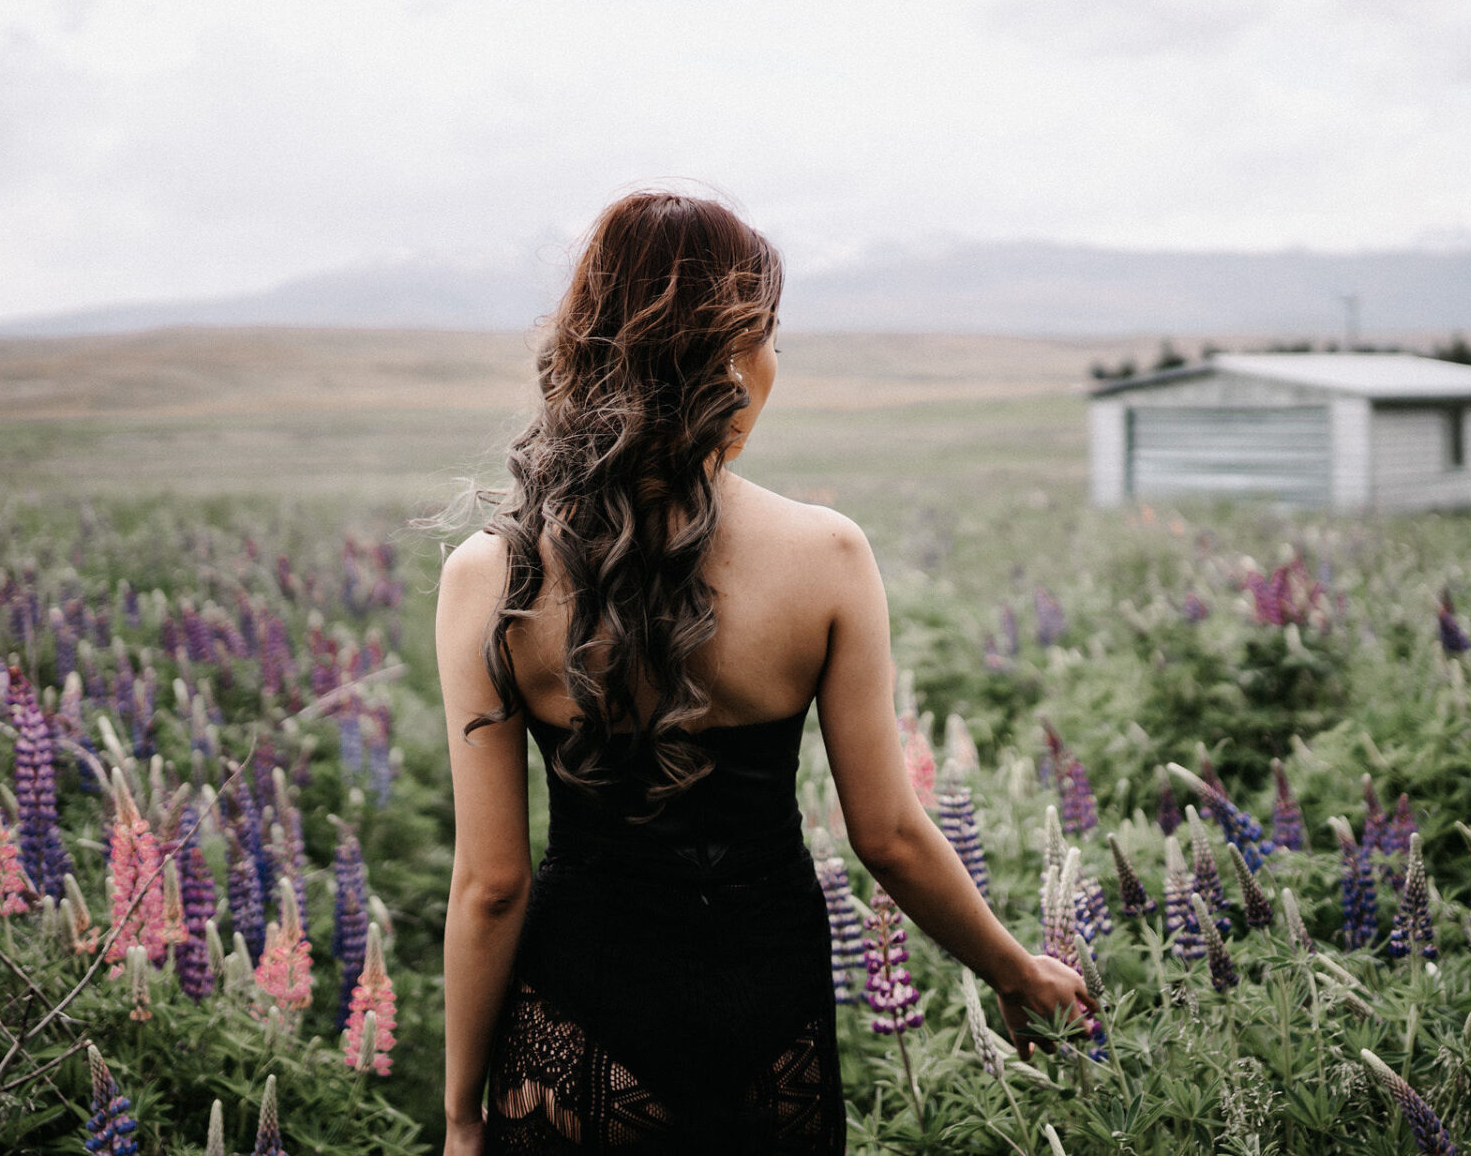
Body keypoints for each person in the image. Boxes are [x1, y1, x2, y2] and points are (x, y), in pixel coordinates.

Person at [434, 189, 1092, 1154]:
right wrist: (1015, 972)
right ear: (733, 354)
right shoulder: (826, 555)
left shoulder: (491, 576)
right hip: (765, 1008)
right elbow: (891, 836)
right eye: (767, 336)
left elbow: (491, 884)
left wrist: (459, 1114)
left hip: (580, 1012)